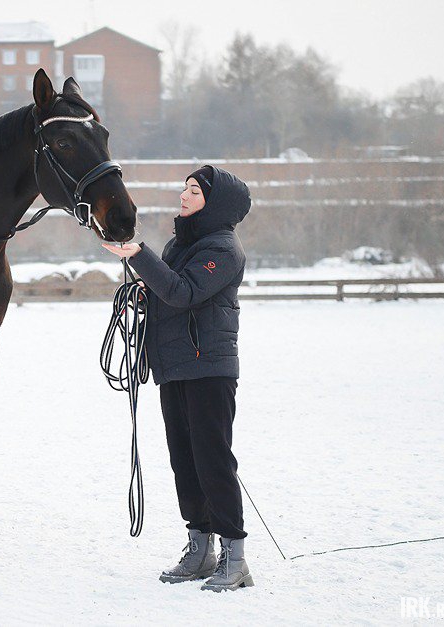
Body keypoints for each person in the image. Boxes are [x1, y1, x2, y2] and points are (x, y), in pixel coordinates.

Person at [102, 165, 253, 592]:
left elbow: (183, 292)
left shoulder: (222, 249)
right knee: (184, 460)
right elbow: (167, 292)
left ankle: (235, 558)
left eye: (194, 191)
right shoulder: (179, 245)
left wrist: (139, 255)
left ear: (215, 203)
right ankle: (200, 548)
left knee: (213, 460)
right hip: (174, 367)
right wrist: (142, 289)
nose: (184, 196)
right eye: (185, 188)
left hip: (209, 369)